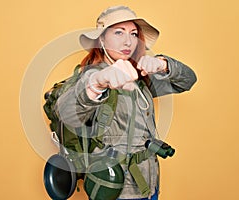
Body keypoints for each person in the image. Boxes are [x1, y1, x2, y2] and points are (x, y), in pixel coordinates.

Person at [55, 5, 197, 200]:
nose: (128, 41)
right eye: (119, 32)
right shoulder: (92, 75)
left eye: (133, 33)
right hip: (114, 188)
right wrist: (96, 84)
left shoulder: (139, 76)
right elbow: (66, 112)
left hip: (149, 184)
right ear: (102, 38)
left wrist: (163, 64)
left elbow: (188, 81)